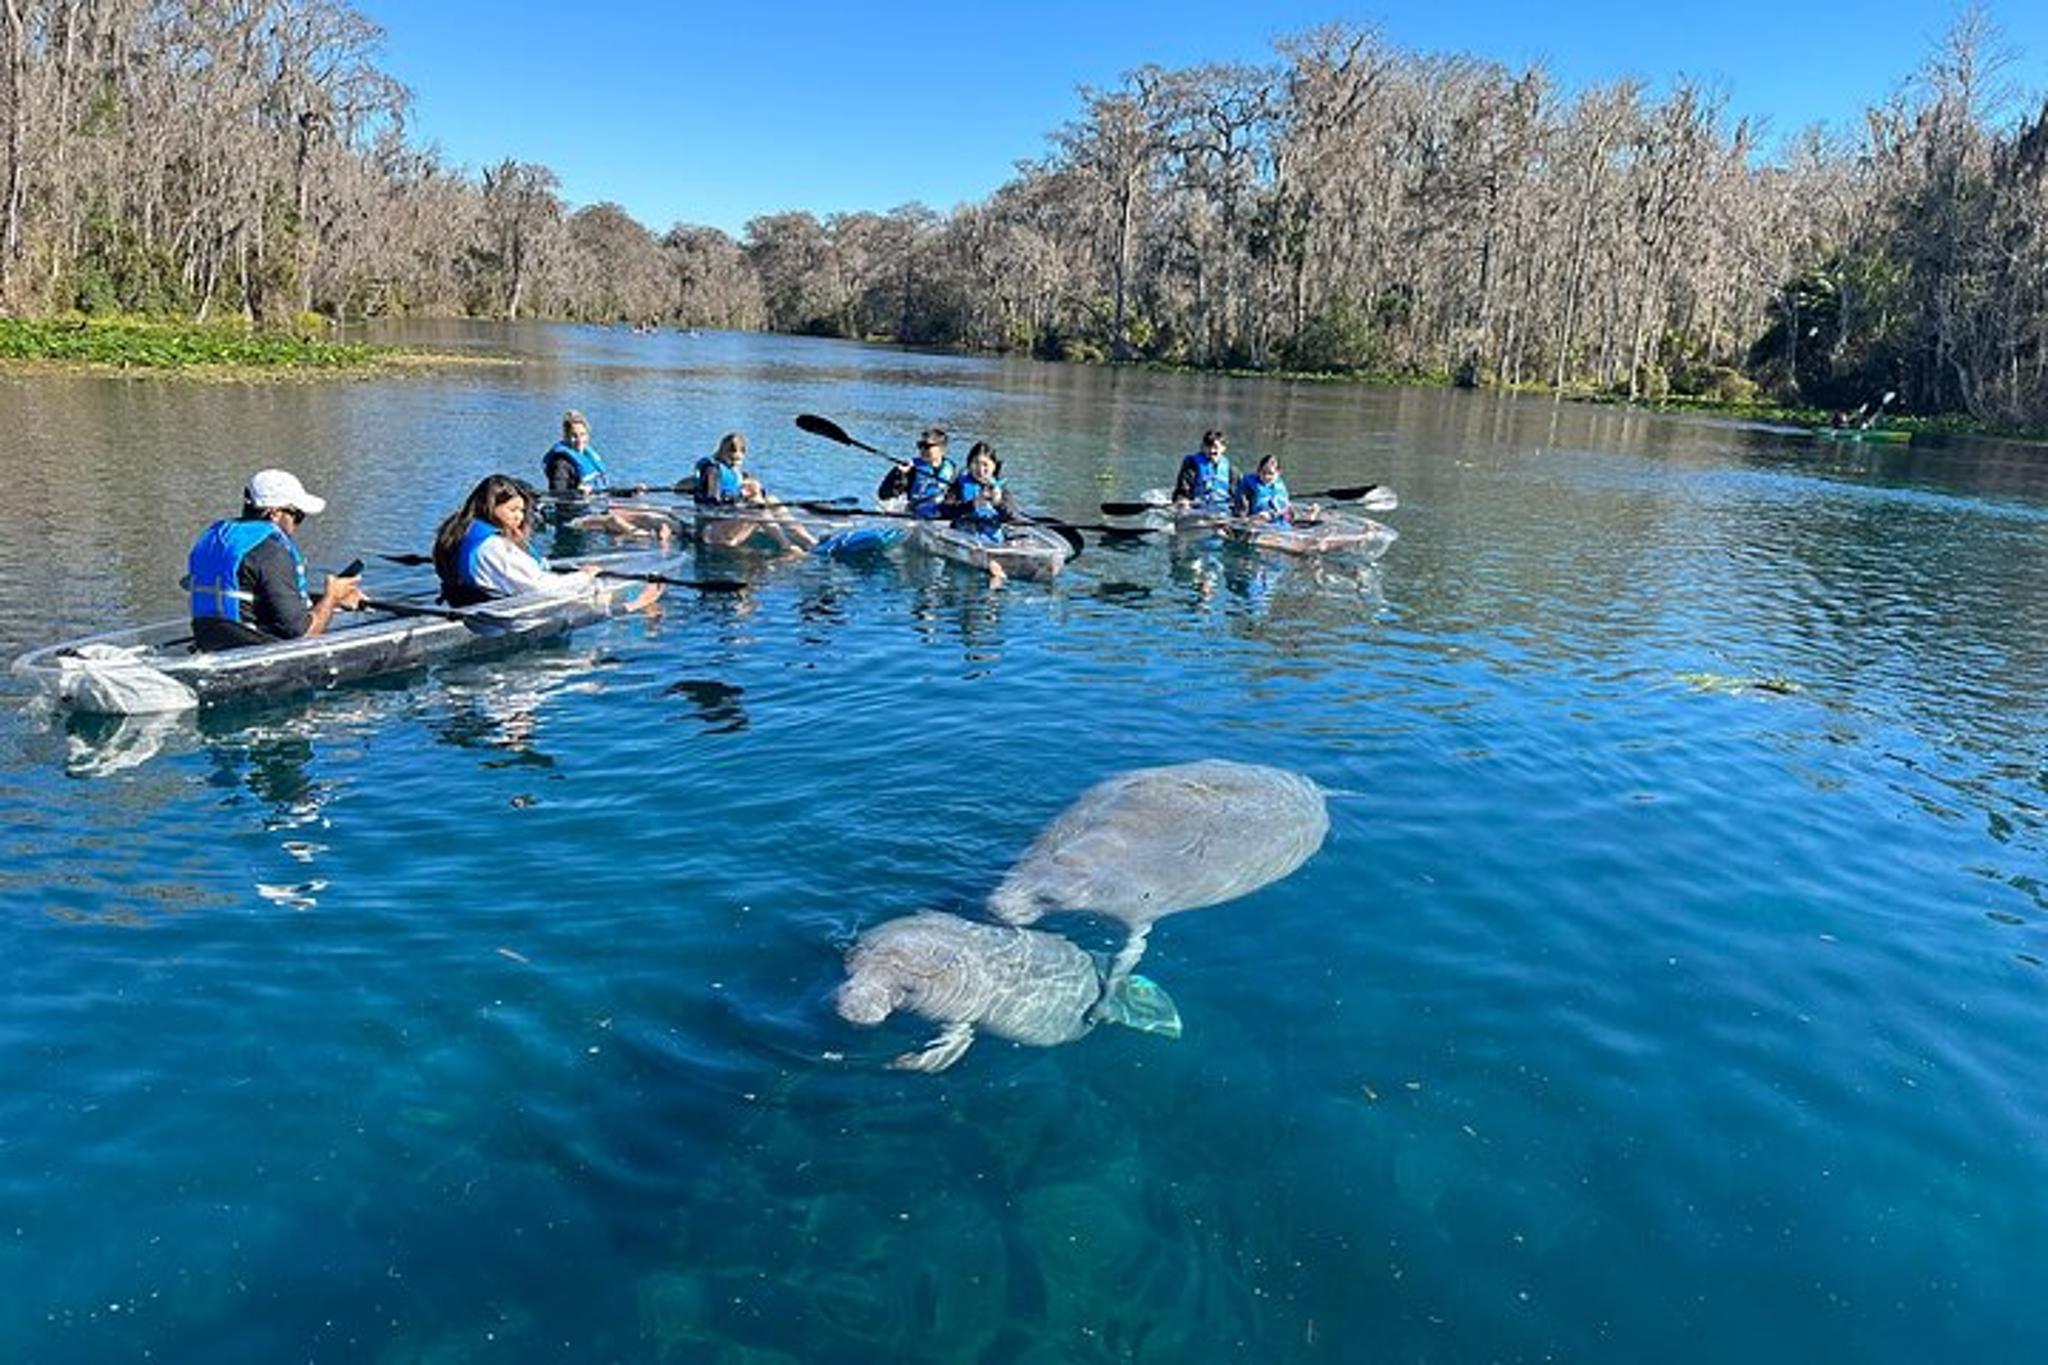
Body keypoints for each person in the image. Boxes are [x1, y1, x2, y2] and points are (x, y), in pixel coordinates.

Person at [187, 469, 363, 652]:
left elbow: (256, 597)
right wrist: (332, 595)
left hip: (211, 640)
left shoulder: (217, 539)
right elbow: (303, 634)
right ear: (275, 513)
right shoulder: (271, 551)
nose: (297, 525)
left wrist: (335, 600)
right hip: (252, 651)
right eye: (297, 516)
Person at [432, 474, 662, 612]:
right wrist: (585, 576)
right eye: (512, 510)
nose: (519, 517)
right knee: (613, 597)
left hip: (467, 602)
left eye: (521, 511)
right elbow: (541, 588)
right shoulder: (494, 547)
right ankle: (636, 607)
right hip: (504, 617)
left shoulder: (461, 530)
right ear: (490, 507)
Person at [693, 432, 818, 552]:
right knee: (756, 507)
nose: (734, 463)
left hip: (731, 521)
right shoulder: (712, 470)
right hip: (710, 530)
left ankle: (809, 541)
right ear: (722, 452)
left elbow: (758, 496)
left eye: (738, 460)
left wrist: (756, 491)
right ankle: (786, 545)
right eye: (731, 458)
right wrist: (740, 497)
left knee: (771, 500)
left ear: (743, 455)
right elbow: (711, 501)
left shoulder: (738, 473)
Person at [877, 427, 957, 518]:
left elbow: (954, 497)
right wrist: (900, 475)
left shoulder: (951, 470)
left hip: (939, 518)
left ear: (942, 449)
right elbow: (883, 494)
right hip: (913, 517)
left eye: (927, 446)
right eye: (920, 445)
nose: (922, 450)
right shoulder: (910, 468)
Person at [542, 410, 624, 497]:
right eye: (574, 436)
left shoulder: (588, 457)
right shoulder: (561, 464)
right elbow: (557, 494)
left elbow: (604, 491)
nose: (579, 440)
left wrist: (629, 492)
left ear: (587, 435)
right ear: (566, 437)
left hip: (594, 505)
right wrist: (578, 492)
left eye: (582, 434)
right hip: (573, 509)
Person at [1231, 454, 1318, 525]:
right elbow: (1241, 513)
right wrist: (1253, 518)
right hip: (1259, 522)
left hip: (1280, 520)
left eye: (1270, 474)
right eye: (1263, 472)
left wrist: (1304, 510)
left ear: (1278, 473)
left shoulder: (1279, 485)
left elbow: (1286, 506)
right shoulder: (1249, 484)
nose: (1266, 476)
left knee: (1310, 510)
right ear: (1258, 471)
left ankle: (1309, 517)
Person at [1172, 430, 1233, 511]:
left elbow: (1237, 495)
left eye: (1215, 447)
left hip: (1221, 510)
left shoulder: (1231, 471)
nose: (1212, 451)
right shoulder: (1191, 465)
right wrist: (1183, 499)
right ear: (1202, 447)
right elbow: (1182, 488)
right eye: (1208, 447)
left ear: (1223, 448)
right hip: (1195, 507)